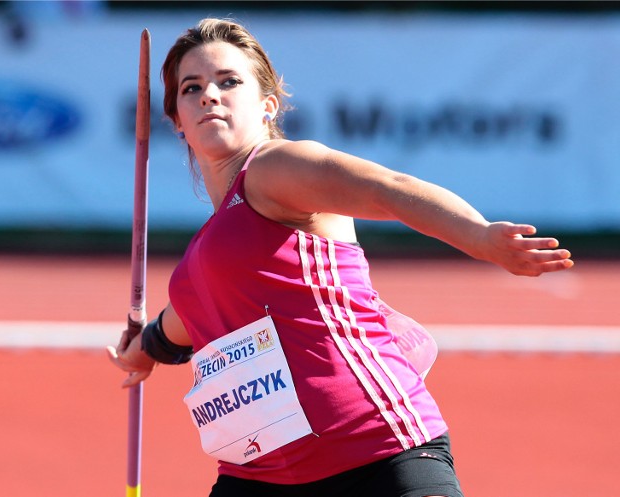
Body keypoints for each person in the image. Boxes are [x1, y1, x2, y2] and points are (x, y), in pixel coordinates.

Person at [108, 18, 574, 497]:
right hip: (258, 477)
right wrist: (143, 348)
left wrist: (479, 235)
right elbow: (185, 318)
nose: (209, 94)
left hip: (374, 457)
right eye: (192, 87)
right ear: (178, 122)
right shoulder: (204, 252)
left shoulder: (272, 169)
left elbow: (389, 190)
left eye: (229, 81)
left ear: (267, 106)